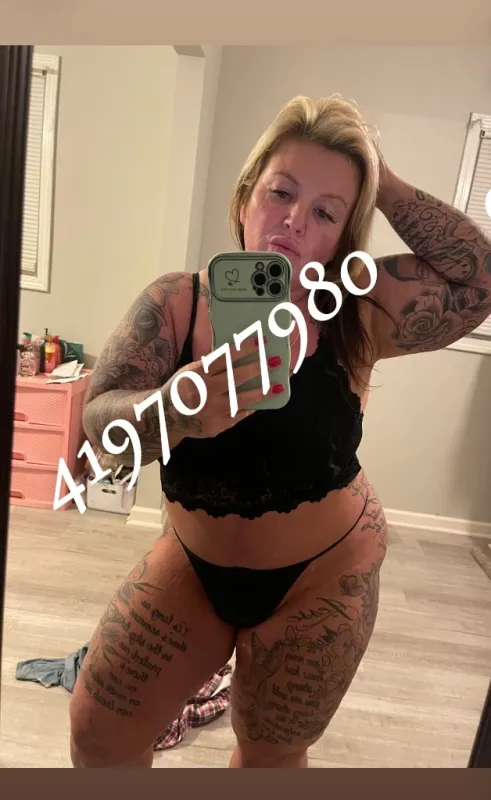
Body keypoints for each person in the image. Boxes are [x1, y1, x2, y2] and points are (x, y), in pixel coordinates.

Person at [69, 94, 491, 768]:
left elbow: (478, 282)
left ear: (341, 238)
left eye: (326, 212)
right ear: (245, 198)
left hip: (322, 575)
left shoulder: (358, 308)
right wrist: (178, 409)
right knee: (98, 736)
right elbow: (99, 427)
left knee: (268, 760)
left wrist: (382, 179)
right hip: (194, 560)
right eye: (281, 192)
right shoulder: (177, 301)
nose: (295, 219)